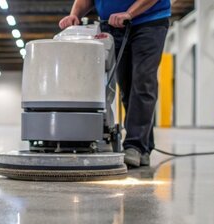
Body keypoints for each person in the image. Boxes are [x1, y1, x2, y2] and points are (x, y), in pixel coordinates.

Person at [59, 0, 171, 168]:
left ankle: (135, 146)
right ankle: (144, 147)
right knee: (125, 85)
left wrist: (130, 13)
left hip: (149, 21)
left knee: (143, 82)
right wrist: (74, 15)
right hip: (112, 25)